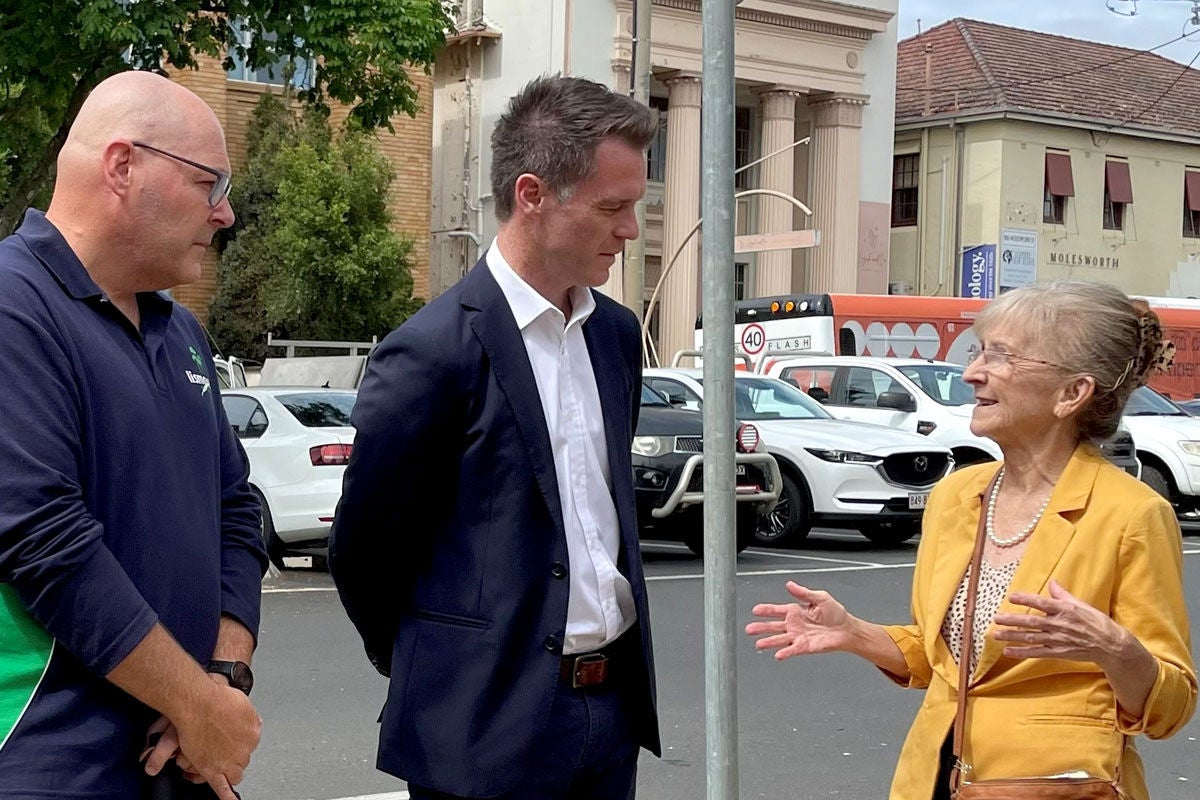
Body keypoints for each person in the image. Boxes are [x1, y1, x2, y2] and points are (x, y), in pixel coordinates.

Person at [329, 74, 661, 799]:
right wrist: (447, 660)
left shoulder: (613, 335)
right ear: (532, 195)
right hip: (481, 730)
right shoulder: (432, 351)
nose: (630, 231)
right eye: (613, 208)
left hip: (609, 715)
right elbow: (365, 551)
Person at [747, 280, 1196, 800]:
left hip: (1055, 787)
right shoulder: (957, 495)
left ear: (1072, 393)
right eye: (980, 351)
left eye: (1001, 357)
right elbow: (948, 661)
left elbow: (1172, 706)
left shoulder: (1133, 514)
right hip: (934, 779)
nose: (971, 373)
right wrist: (856, 633)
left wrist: (1117, 651)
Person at [0, 71, 267, 800]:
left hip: (183, 761)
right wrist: (199, 704)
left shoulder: (181, 332)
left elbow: (238, 512)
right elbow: (45, 541)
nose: (226, 212)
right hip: (50, 765)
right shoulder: (14, 307)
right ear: (123, 166)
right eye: (209, 183)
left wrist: (222, 676)